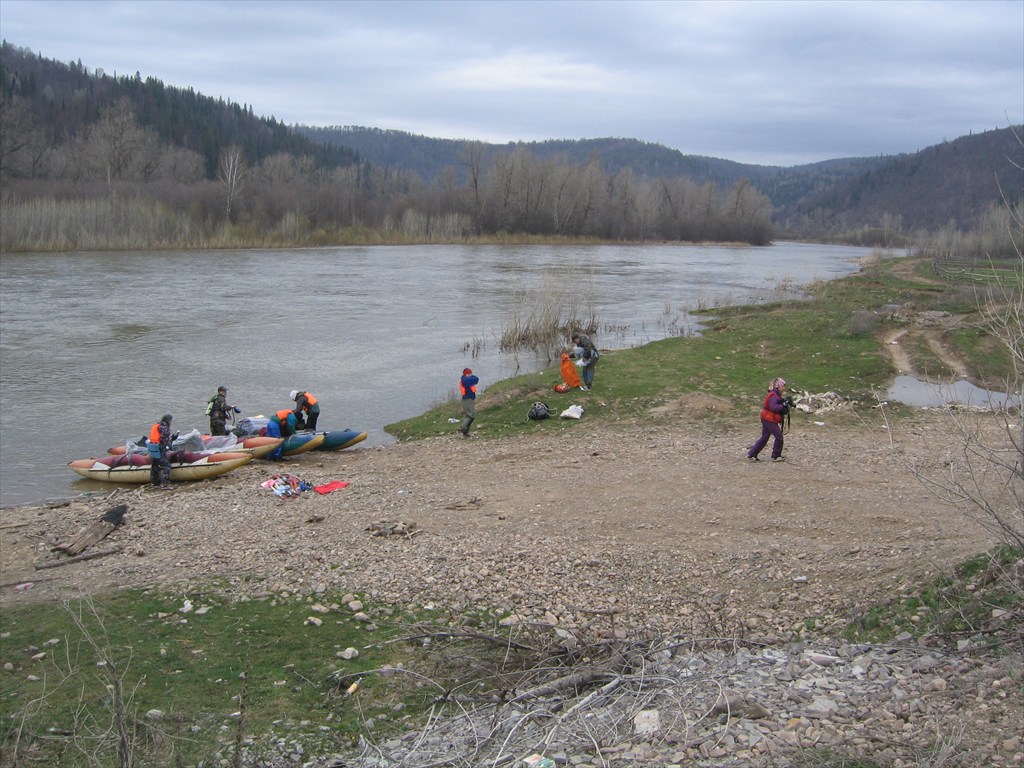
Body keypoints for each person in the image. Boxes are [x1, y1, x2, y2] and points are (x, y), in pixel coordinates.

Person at [747, 377, 790, 462]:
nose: (783, 388)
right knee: (779, 437)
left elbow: (774, 405)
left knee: (765, 437)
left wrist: (783, 402)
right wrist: (783, 405)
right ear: (778, 386)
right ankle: (776, 456)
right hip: (769, 419)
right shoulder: (773, 395)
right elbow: (773, 407)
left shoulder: (774, 394)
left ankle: (752, 454)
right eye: (782, 386)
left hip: (767, 418)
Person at [146, 413, 176, 487]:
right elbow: (165, 442)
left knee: (155, 465)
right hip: (160, 449)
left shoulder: (157, 425)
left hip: (153, 450)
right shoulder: (164, 428)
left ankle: (154, 482)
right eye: (171, 421)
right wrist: (172, 439)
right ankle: (164, 483)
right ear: (168, 421)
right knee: (167, 466)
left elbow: (159, 438)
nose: (171, 423)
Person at [457, 368, 479, 436]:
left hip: (470, 398)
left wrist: (471, 377)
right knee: (470, 415)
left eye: (470, 373)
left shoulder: (467, 379)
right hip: (467, 399)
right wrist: (472, 377)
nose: (470, 374)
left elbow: (476, 379)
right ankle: (461, 429)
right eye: (468, 373)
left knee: (471, 417)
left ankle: (465, 432)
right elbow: (475, 379)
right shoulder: (464, 380)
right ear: (465, 374)